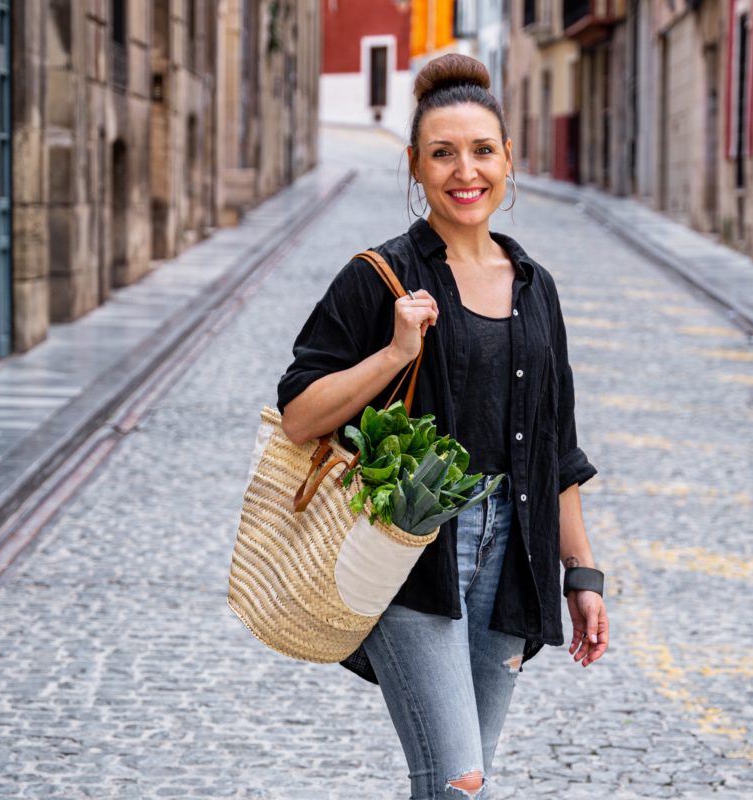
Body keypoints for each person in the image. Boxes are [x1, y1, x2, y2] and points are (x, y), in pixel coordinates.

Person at [276, 53, 609, 800]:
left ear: (508, 161)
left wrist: (580, 575)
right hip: (411, 553)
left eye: (482, 151)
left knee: (465, 780)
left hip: (513, 559)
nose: (467, 171)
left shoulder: (534, 288)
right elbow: (300, 414)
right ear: (415, 167)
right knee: (457, 781)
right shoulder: (380, 277)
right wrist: (395, 352)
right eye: (443, 153)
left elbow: (557, 445)